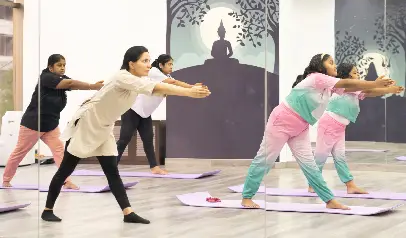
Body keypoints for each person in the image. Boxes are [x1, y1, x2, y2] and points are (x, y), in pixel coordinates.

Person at [41, 46, 211, 224]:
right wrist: (189, 92)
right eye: (144, 61)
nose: (148, 65)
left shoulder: (138, 79)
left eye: (148, 60)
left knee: (112, 171)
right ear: (131, 64)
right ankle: (48, 210)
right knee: (66, 170)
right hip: (87, 124)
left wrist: (191, 88)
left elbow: (162, 87)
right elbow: (155, 87)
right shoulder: (123, 77)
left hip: (104, 127)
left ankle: (128, 213)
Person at [240, 53, 394, 210]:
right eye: (331, 63)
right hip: (282, 121)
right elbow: (347, 82)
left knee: (310, 166)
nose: (335, 66)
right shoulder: (317, 77)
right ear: (321, 66)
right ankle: (247, 197)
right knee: (265, 160)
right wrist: (373, 82)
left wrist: (378, 86)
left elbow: (351, 88)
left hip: (301, 126)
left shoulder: (328, 87)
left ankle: (329, 201)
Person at [2, 54, 103, 189]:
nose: (62, 68)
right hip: (33, 124)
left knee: (60, 152)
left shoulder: (61, 78)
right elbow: (71, 83)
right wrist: (93, 86)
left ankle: (66, 181)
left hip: (50, 125)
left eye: (64, 65)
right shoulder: (46, 78)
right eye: (59, 65)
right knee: (20, 152)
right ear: (50, 67)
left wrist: (96, 88)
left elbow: (73, 84)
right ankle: (6, 180)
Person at [308, 63, 403, 194]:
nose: (357, 74)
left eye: (357, 72)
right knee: (321, 155)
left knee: (340, 156)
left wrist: (390, 90)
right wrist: (379, 84)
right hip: (329, 124)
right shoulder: (344, 85)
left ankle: (350, 185)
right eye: (354, 72)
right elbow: (369, 89)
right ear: (347, 75)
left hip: (339, 126)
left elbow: (368, 92)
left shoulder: (354, 88)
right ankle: (313, 184)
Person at [117, 54, 203, 174]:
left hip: (145, 113)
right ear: (161, 65)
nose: (171, 67)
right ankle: (112, 165)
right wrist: (191, 88)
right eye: (169, 64)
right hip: (132, 109)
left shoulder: (164, 76)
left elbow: (171, 85)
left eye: (172, 64)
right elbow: (172, 83)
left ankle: (154, 167)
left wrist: (191, 88)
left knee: (148, 139)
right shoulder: (153, 71)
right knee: (124, 139)